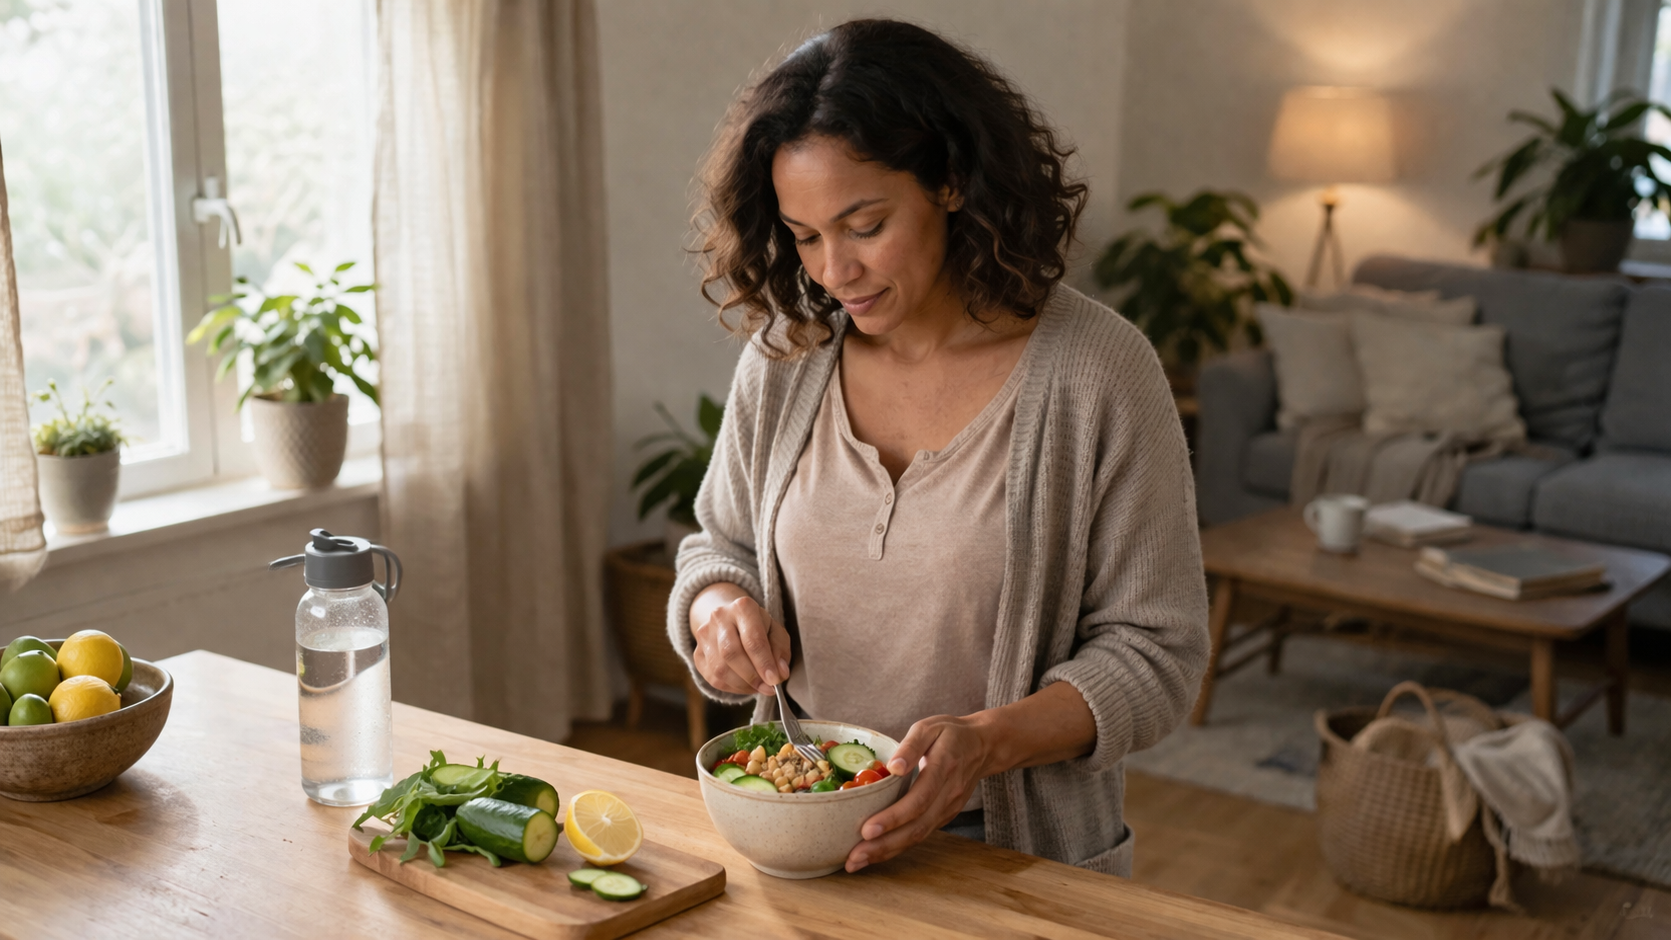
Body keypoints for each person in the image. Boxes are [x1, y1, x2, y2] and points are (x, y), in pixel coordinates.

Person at [668, 18, 1209, 877]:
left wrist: (984, 744)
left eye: (864, 223)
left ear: (951, 181)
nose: (832, 271)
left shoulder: (1098, 372)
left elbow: (1156, 653)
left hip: (1011, 854)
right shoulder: (785, 358)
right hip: (795, 828)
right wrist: (716, 612)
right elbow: (717, 546)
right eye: (805, 236)